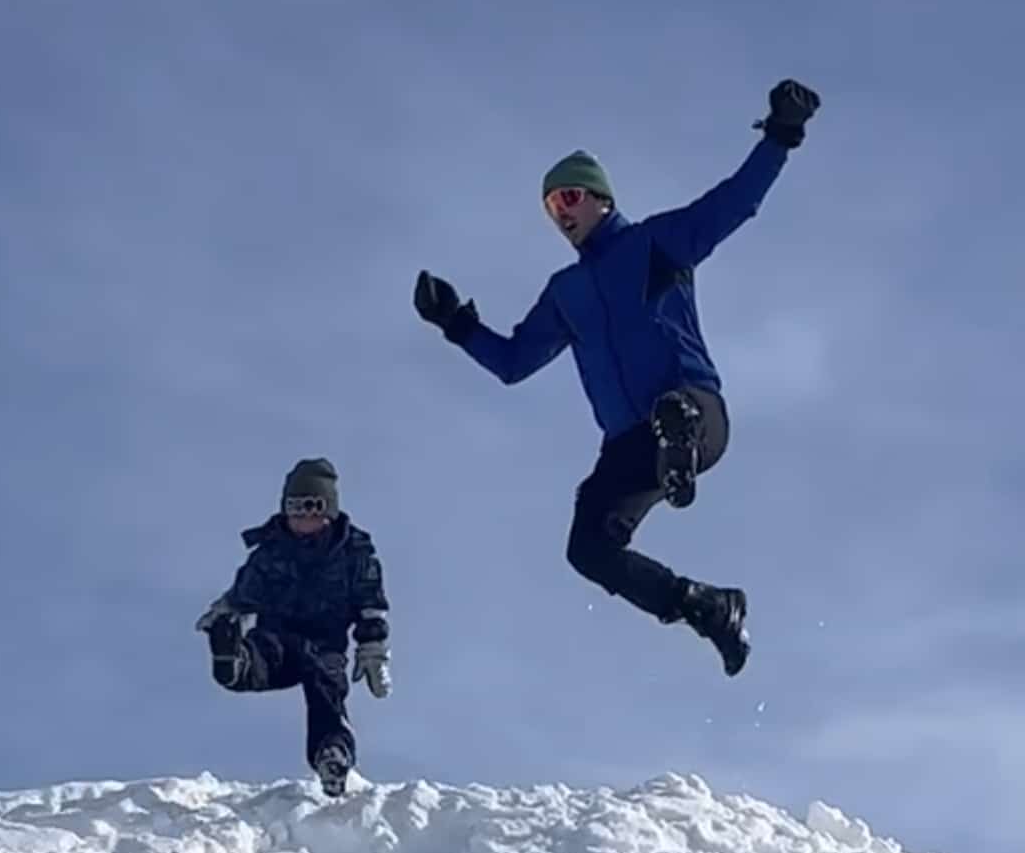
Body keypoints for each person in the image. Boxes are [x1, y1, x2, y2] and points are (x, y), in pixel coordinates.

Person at [414, 78, 821, 677]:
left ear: (602, 198)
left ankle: (676, 450)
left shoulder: (654, 244)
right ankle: (706, 607)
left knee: (672, 414)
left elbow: (735, 202)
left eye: (571, 198)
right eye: (552, 207)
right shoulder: (566, 294)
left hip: (697, 413)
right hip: (631, 444)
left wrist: (782, 136)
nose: (562, 214)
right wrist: (456, 323)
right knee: (587, 548)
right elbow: (513, 364)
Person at [196, 457, 390, 797]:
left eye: (311, 507)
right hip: (278, 637)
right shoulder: (271, 552)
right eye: (294, 508)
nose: (302, 517)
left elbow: (370, 605)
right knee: (264, 652)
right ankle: (235, 662)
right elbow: (244, 593)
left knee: (326, 685)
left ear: (328, 511)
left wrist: (372, 649)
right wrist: (224, 615)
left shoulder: (354, 554)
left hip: (325, 646)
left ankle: (332, 752)